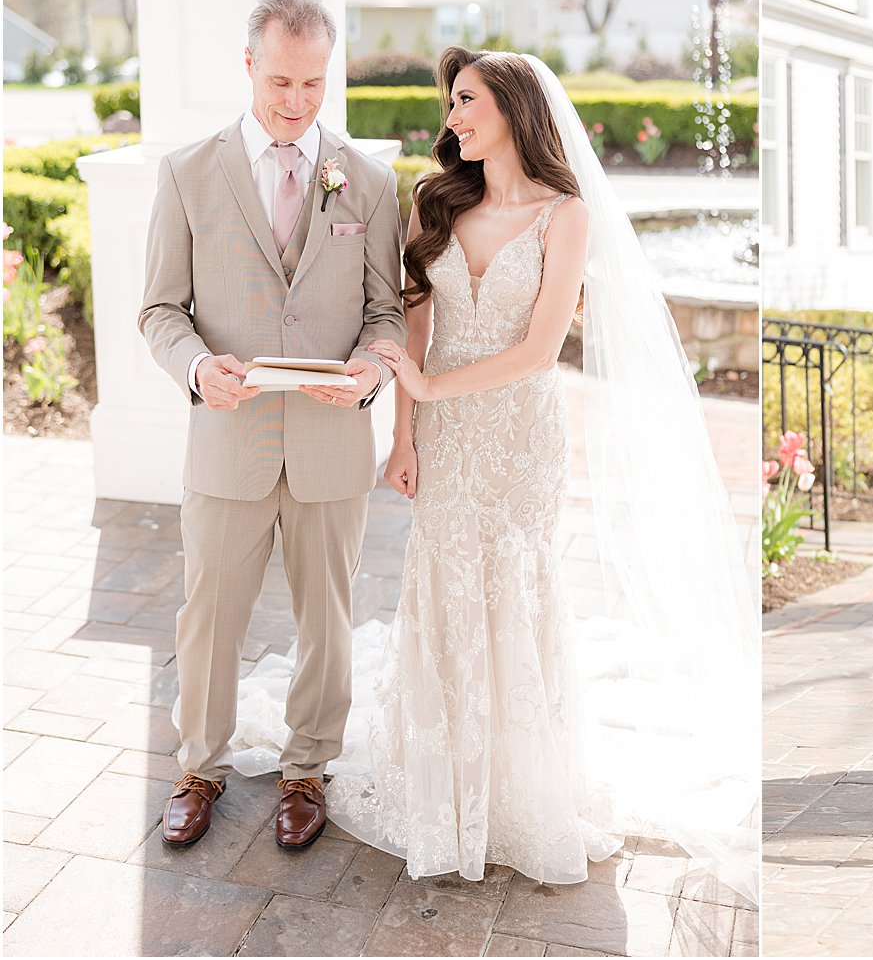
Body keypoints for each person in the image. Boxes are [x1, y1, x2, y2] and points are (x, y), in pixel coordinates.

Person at [231, 47, 760, 899]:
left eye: (466, 101)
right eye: (450, 106)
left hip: (519, 434)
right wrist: (406, 435)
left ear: (512, 106)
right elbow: (411, 325)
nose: (452, 120)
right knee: (443, 582)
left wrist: (434, 386)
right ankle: (444, 781)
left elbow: (543, 348)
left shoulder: (566, 215)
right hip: (444, 432)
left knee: (515, 587)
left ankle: (517, 789)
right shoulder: (435, 202)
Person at [138, 0, 405, 848]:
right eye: (281, 80)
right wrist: (196, 367)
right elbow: (159, 311)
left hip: (331, 443)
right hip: (228, 440)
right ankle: (198, 766)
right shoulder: (186, 174)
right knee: (208, 611)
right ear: (249, 64)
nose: (296, 102)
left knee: (327, 615)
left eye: (315, 85)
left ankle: (307, 767)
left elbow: (386, 313)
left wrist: (371, 370)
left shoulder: (368, 181)